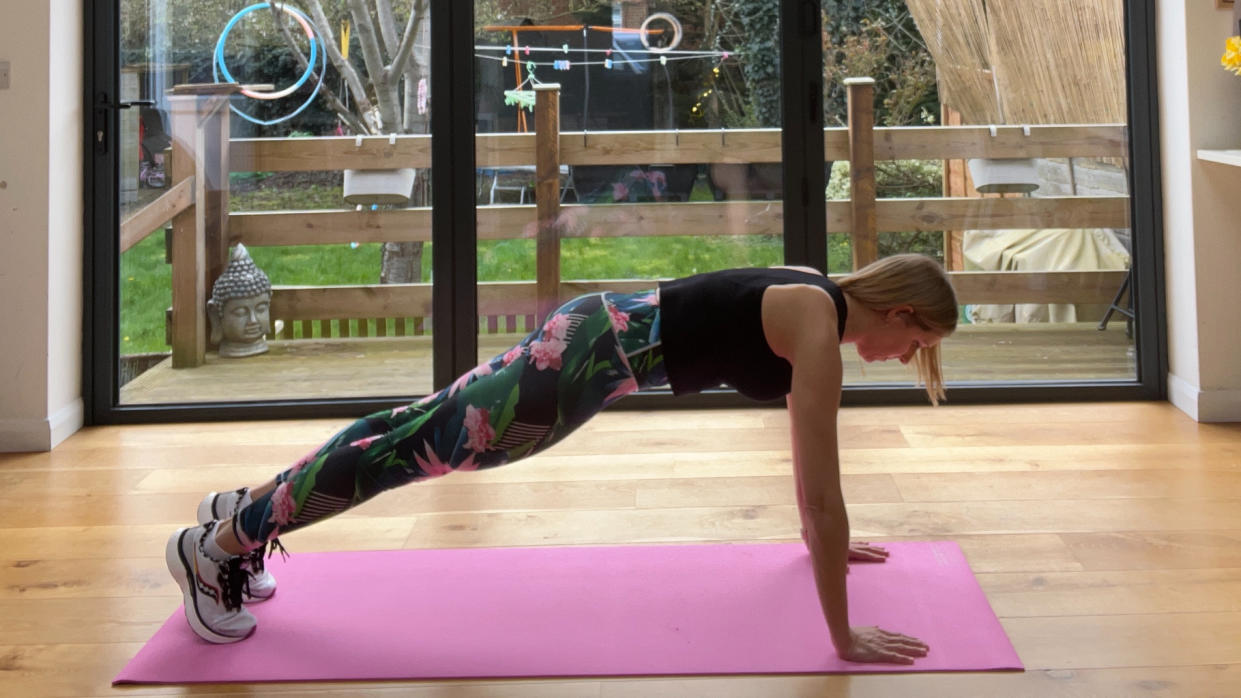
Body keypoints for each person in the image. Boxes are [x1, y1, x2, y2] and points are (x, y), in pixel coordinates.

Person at [167, 253, 956, 665]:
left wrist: (825, 542)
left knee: (412, 429)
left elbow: (810, 480)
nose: (901, 357)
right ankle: (219, 546)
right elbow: (823, 493)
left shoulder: (813, 291)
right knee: (412, 455)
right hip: (584, 366)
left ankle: (244, 505)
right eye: (914, 344)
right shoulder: (819, 335)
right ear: (900, 312)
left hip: (591, 330)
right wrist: (843, 633)